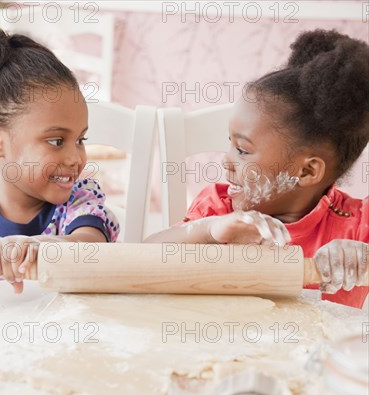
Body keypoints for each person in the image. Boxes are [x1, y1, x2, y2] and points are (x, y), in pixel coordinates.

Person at [146, 29, 369, 309]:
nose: (226, 162)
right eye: (230, 145)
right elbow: (146, 257)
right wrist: (208, 231)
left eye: (242, 151)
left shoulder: (357, 224)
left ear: (307, 172)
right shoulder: (220, 210)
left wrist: (361, 258)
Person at [0, 29, 119, 294]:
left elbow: (91, 247)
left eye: (80, 139)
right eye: (56, 141)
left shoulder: (80, 201)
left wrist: (44, 248)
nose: (75, 158)